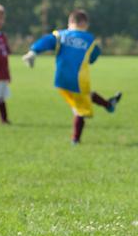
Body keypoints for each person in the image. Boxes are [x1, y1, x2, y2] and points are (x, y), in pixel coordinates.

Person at [22, 10, 122, 144]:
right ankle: (76, 140)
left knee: (85, 96)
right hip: (79, 80)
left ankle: (109, 104)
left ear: (70, 22)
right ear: (85, 23)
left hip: (60, 80)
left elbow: (47, 40)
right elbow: (94, 55)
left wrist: (33, 51)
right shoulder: (89, 39)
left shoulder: (61, 35)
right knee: (80, 111)